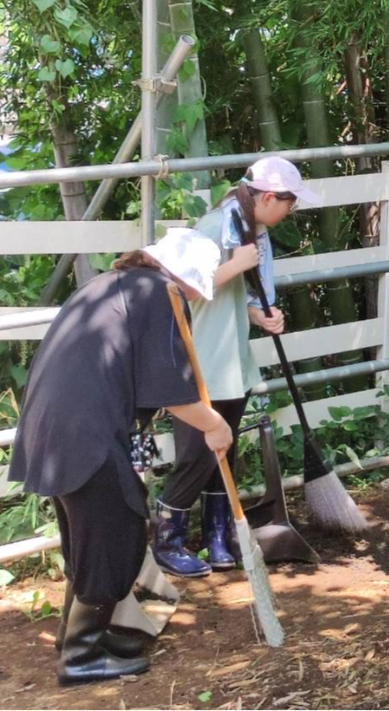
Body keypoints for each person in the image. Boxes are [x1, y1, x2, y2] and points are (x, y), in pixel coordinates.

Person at [8, 229, 229, 686]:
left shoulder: (107, 284)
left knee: (93, 537)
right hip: (87, 431)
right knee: (117, 531)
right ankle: (81, 656)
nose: (192, 297)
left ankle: (92, 637)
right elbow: (171, 391)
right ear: (182, 278)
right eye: (194, 288)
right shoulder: (160, 294)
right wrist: (216, 424)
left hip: (54, 429)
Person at [151, 156, 318, 577]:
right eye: (290, 204)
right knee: (194, 456)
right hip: (201, 362)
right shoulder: (213, 229)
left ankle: (217, 536)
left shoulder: (248, 230)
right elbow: (180, 291)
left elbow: (229, 297)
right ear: (267, 197)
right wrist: (234, 267)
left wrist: (258, 314)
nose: (290, 212)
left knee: (220, 452)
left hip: (231, 361)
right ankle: (166, 540)